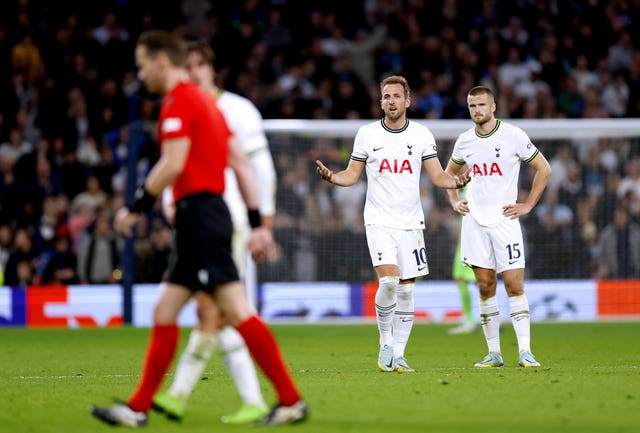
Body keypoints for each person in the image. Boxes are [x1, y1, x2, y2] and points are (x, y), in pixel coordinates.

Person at [89, 30, 307, 427]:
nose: (141, 74)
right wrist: (258, 221)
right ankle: (138, 409)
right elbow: (240, 164)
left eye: (142, 65)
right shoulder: (208, 105)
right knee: (166, 309)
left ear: (160, 61)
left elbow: (172, 164)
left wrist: (135, 207)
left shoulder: (178, 102)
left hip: (201, 217)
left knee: (236, 311)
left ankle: (290, 399)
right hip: (207, 217)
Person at [152, 41, 277, 424]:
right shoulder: (181, 104)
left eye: (198, 66)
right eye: (186, 67)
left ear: (211, 69)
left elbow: (259, 168)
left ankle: (179, 395)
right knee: (214, 311)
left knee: (218, 309)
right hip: (197, 219)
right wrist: (171, 204)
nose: (192, 74)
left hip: (231, 220)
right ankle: (178, 396)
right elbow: (176, 165)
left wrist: (263, 224)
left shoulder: (237, 109)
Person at [316, 75, 470, 373]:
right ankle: (385, 342)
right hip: (378, 221)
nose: (391, 101)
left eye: (396, 96)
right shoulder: (367, 134)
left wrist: (456, 180)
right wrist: (333, 177)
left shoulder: (422, 134)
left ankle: (398, 355)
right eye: (386, 96)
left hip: (411, 223)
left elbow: (438, 176)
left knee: (407, 291)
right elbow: (351, 175)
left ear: (407, 101)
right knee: (388, 281)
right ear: (381, 101)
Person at [444, 85, 551, 368]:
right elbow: (448, 174)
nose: (476, 110)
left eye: (481, 105)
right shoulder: (465, 141)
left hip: (505, 220)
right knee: (484, 285)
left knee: (514, 284)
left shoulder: (513, 135)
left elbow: (544, 168)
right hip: (475, 222)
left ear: (493, 107)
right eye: (472, 106)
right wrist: (455, 199)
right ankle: (494, 353)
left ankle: (525, 351)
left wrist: (528, 204)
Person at [448, 209, 478, 335]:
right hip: (465, 241)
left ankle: (491, 319)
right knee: (460, 278)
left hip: (475, 238)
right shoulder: (463, 190)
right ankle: (470, 320)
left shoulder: (471, 191)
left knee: (482, 279)